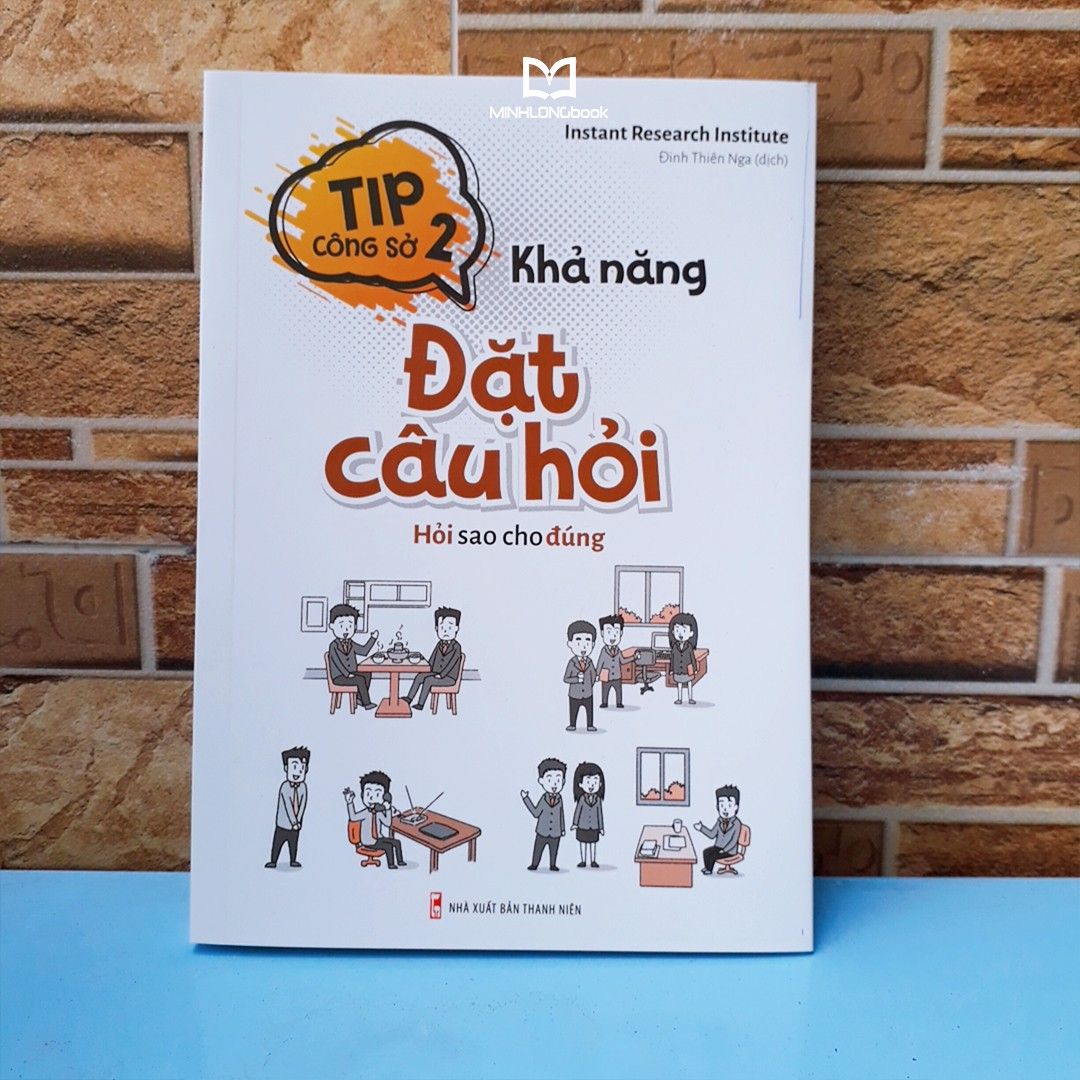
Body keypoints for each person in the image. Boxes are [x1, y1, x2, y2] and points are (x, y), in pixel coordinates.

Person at [343, 770, 407, 869]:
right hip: (368, 841)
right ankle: (391, 864)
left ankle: (400, 861)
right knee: (388, 846)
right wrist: (349, 803)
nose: (372, 797)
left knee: (397, 842)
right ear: (362, 795)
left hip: (378, 838)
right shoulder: (365, 813)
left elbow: (388, 823)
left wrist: (388, 809)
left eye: (377, 794)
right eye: (368, 793)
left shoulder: (379, 812)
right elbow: (353, 817)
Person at [403, 606, 463, 710]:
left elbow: (451, 663)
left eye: (449, 628)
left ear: (456, 628)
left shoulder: (456, 647)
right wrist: (426, 668)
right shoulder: (439, 644)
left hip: (449, 677)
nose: (445, 631)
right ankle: (409, 698)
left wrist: (441, 675)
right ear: (436, 628)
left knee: (428, 680)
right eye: (442, 628)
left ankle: (420, 704)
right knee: (419, 677)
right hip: (435, 672)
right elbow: (432, 658)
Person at [326, 603, 379, 710]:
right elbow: (337, 662)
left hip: (350, 673)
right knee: (359, 680)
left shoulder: (351, 643)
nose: (346, 630)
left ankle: (359, 698)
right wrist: (347, 674)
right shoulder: (333, 645)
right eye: (341, 626)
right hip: (339, 677)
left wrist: (373, 638)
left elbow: (364, 651)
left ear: (354, 627)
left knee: (367, 674)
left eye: (350, 626)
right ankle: (367, 703)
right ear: (332, 626)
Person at [265, 746, 310, 868]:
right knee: (277, 842)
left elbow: (302, 805)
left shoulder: (303, 787)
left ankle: (293, 860)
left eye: (302, 768)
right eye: (294, 767)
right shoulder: (285, 787)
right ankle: (273, 860)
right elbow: (288, 806)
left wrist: (298, 820)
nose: (297, 772)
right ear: (286, 768)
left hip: (296, 825)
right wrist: (294, 822)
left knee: (293, 843)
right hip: (283, 824)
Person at [521, 758, 566, 870]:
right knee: (538, 849)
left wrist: (562, 829)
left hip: (556, 832)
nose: (554, 784)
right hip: (542, 831)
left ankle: (552, 865)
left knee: (554, 850)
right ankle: (534, 864)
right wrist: (526, 799)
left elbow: (561, 815)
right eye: (550, 780)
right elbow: (536, 813)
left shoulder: (560, 799)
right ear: (541, 781)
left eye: (558, 780)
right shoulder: (543, 799)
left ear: (563, 781)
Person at [695, 784, 746, 875]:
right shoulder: (719, 821)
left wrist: (725, 850)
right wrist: (701, 828)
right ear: (717, 807)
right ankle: (707, 867)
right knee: (706, 852)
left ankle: (709, 870)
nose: (725, 809)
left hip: (730, 850)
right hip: (718, 847)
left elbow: (733, 841)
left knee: (714, 855)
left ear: (736, 807)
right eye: (722, 805)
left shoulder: (737, 823)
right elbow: (712, 834)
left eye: (729, 805)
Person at [563, 619, 598, 732]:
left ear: (593, 644)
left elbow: (593, 674)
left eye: (587, 643)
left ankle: (590, 725)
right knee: (574, 709)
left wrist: (591, 683)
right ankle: (572, 724)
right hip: (574, 694)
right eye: (578, 643)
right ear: (570, 644)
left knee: (589, 710)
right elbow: (566, 678)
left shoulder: (590, 662)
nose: (583, 647)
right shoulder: (572, 663)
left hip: (588, 693)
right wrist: (576, 679)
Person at [572, 762, 606, 868]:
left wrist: (601, 827)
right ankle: (583, 860)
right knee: (582, 843)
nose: (591, 785)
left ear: (600, 784)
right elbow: (578, 811)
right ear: (580, 784)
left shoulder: (598, 799)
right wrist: (575, 823)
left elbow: (600, 814)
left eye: (595, 782)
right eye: (588, 781)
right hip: (582, 825)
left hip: (594, 826)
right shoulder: (582, 799)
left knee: (593, 843)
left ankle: (593, 860)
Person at [668, 612, 699, 705]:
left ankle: (690, 698)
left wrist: (695, 669)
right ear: (673, 632)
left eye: (684, 631)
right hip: (678, 669)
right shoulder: (675, 647)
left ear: (691, 633)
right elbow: (672, 659)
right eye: (677, 630)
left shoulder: (689, 647)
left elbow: (692, 658)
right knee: (679, 684)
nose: (680, 634)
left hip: (687, 669)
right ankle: (679, 699)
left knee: (689, 683)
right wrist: (671, 670)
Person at [596, 615, 625, 709]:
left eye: (616, 633)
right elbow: (600, 663)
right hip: (606, 676)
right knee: (605, 690)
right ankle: (604, 702)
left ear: (621, 633)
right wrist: (597, 674)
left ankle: (619, 703)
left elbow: (623, 660)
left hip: (617, 676)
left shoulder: (618, 650)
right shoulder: (604, 651)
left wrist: (634, 658)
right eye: (608, 632)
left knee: (618, 690)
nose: (613, 637)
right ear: (602, 633)